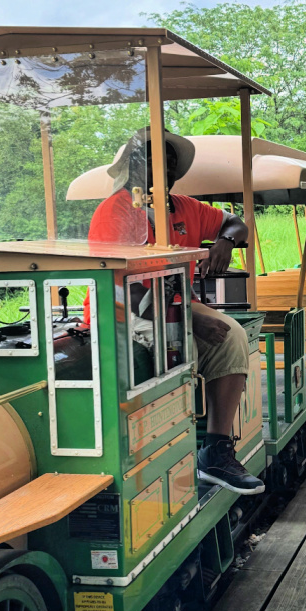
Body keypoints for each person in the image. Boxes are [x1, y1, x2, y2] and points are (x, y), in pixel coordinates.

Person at [88, 128, 264, 495]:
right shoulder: (117, 210)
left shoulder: (183, 207)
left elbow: (236, 223)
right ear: (134, 166)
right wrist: (193, 318)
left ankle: (215, 451)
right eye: (153, 160)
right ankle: (153, 449)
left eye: (169, 162)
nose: (164, 167)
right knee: (177, 349)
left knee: (232, 335)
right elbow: (124, 279)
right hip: (122, 307)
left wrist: (225, 241)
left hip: (175, 303)